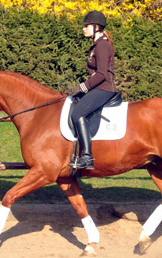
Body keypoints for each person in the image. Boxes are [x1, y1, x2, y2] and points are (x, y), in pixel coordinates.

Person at [68, 10, 117, 170]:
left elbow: (102, 74)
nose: (84, 28)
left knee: (77, 113)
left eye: (87, 25)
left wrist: (81, 87)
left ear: (96, 27)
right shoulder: (96, 44)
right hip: (97, 88)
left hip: (104, 88)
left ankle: (87, 157)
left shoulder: (102, 46)